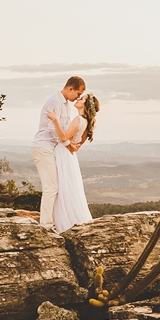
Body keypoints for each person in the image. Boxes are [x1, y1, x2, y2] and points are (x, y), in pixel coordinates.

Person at [31, 76, 86, 230]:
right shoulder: (54, 102)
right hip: (43, 147)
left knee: (57, 188)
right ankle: (47, 226)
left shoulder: (67, 105)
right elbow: (51, 128)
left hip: (52, 149)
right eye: (78, 93)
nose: (78, 97)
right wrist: (68, 144)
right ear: (70, 89)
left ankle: (54, 222)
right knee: (51, 187)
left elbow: (65, 129)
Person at [46, 92, 100, 232]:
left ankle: (62, 223)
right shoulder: (85, 122)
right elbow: (76, 145)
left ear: (85, 105)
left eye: (81, 99)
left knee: (62, 188)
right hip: (69, 156)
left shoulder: (78, 119)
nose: (78, 99)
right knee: (67, 188)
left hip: (64, 154)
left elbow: (64, 137)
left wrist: (55, 120)